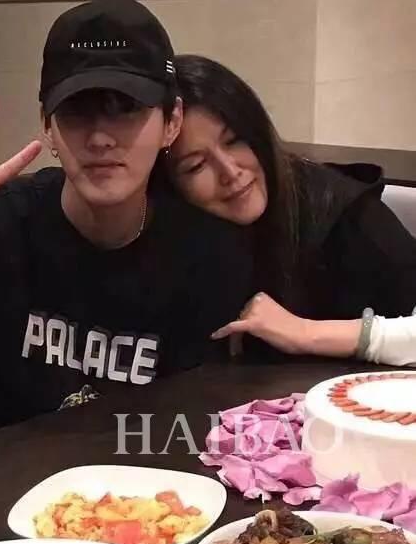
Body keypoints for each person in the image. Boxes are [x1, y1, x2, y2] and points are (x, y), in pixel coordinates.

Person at [0, 0, 250, 430]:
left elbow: (202, 424)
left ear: (172, 121)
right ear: (47, 125)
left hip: (147, 469)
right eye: (77, 110)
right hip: (17, 470)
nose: (99, 139)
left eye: (126, 108)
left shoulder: (206, 251)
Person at [170, 54, 416, 365]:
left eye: (234, 140)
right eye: (196, 165)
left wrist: (306, 332)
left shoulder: (343, 213)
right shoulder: (173, 234)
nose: (230, 172)